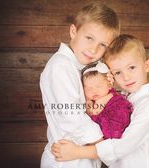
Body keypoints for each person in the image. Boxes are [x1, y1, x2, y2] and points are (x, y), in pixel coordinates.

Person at [51, 34, 149, 168]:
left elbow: (123, 145)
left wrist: (77, 152)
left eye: (132, 68)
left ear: (146, 65)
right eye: (118, 72)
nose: (126, 77)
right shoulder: (123, 97)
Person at [40, 2, 120, 168]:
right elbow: (71, 117)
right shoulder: (60, 66)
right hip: (68, 159)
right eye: (89, 38)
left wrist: (105, 86)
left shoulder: (81, 68)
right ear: (73, 31)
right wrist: (103, 145)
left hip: (81, 156)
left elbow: (92, 107)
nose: (93, 49)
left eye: (103, 45)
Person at [81, 61, 133, 139]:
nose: (94, 91)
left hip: (113, 137)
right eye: (89, 88)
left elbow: (94, 112)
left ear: (109, 85)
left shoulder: (116, 102)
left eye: (98, 86)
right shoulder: (89, 101)